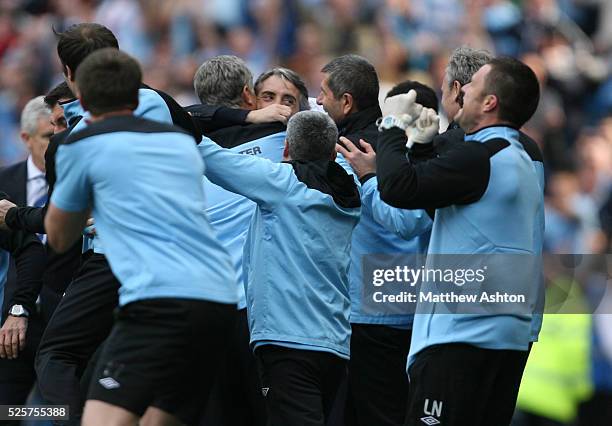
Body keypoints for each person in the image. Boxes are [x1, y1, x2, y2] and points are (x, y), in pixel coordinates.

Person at [46, 48, 237, 426]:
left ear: (80, 99)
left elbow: (59, 236)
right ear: (138, 96)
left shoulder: (81, 144)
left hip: (159, 301)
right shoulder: (179, 143)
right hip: (218, 300)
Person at [348, 57, 544, 426]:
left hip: (462, 336)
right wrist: (422, 148)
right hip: (505, 336)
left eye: (473, 86)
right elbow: (441, 205)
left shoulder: (480, 156)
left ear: (489, 103)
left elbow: (399, 189)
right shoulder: (519, 156)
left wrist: (391, 124)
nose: (462, 90)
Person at [198, 110, 361, 426]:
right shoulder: (351, 186)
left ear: (286, 150)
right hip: (336, 344)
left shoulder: (280, 183)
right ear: (332, 152)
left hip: (287, 342)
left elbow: (213, 158)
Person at [189, 57, 307, 426]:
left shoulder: (181, 153)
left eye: (286, 99)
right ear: (250, 97)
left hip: (238, 309)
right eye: (267, 96)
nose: (276, 106)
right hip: (237, 308)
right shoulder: (279, 142)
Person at [317, 56, 432, 426]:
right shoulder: (393, 145)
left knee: (379, 414)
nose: (319, 102)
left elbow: (408, 221)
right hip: (380, 309)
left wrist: (367, 180)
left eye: (324, 93)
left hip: (373, 315)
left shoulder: (361, 152)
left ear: (346, 101)